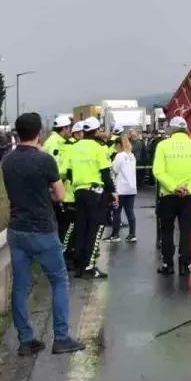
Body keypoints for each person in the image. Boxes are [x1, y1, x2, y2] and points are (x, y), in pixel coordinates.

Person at [0, 113, 86, 356]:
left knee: (20, 285)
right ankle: (60, 337)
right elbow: (59, 195)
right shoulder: (45, 160)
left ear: (18, 132)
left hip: (16, 230)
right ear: (39, 132)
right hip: (42, 230)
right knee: (59, 280)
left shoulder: (8, 161)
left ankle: (26, 340)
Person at [152, 116, 191, 276]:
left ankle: (168, 264)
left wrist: (174, 187)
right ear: (185, 129)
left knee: (167, 230)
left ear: (171, 129)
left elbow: (158, 171)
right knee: (186, 231)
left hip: (168, 196)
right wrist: (188, 188)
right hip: (188, 197)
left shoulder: (163, 146)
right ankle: (185, 265)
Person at [67, 117, 115, 279]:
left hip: (79, 192)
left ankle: (79, 265)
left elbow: (68, 172)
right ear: (96, 131)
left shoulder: (74, 147)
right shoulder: (99, 148)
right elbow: (105, 173)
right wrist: (112, 192)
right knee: (95, 229)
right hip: (95, 192)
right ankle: (89, 265)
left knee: (82, 228)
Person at [43, 115, 76, 248]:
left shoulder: (56, 141)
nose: (71, 131)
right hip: (56, 192)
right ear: (63, 128)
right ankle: (61, 255)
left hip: (57, 190)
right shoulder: (54, 144)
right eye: (69, 128)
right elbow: (55, 170)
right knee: (63, 226)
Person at [106, 134, 138, 243]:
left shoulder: (119, 156)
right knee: (130, 212)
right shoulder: (131, 155)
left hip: (121, 188)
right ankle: (132, 234)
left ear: (119, 145)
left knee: (117, 212)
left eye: (115, 145)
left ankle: (115, 235)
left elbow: (115, 169)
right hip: (131, 188)